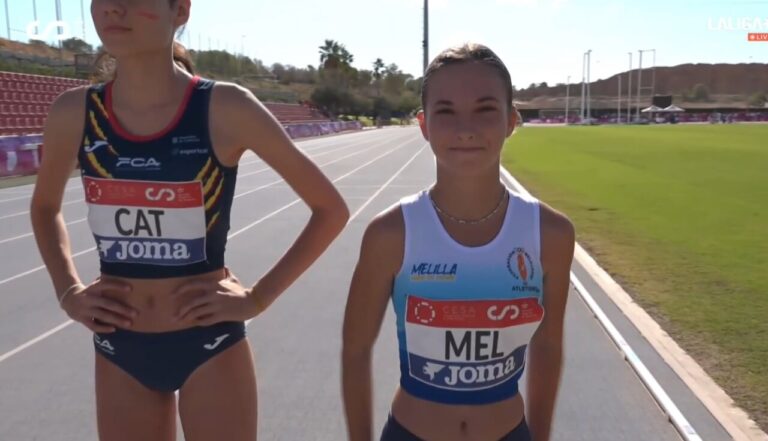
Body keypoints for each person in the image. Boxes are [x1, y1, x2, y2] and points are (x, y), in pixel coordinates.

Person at [30, 1, 349, 440]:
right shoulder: (75, 113)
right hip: (119, 345)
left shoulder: (225, 107)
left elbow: (330, 209)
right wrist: (68, 291)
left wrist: (258, 298)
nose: (115, 8)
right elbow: (44, 207)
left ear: (180, 10)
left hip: (209, 345)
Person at [342, 43, 575, 441]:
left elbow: (548, 346)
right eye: (446, 111)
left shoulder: (550, 234)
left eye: (485, 109)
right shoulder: (390, 234)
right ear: (424, 125)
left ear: (511, 121)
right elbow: (356, 349)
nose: (466, 128)